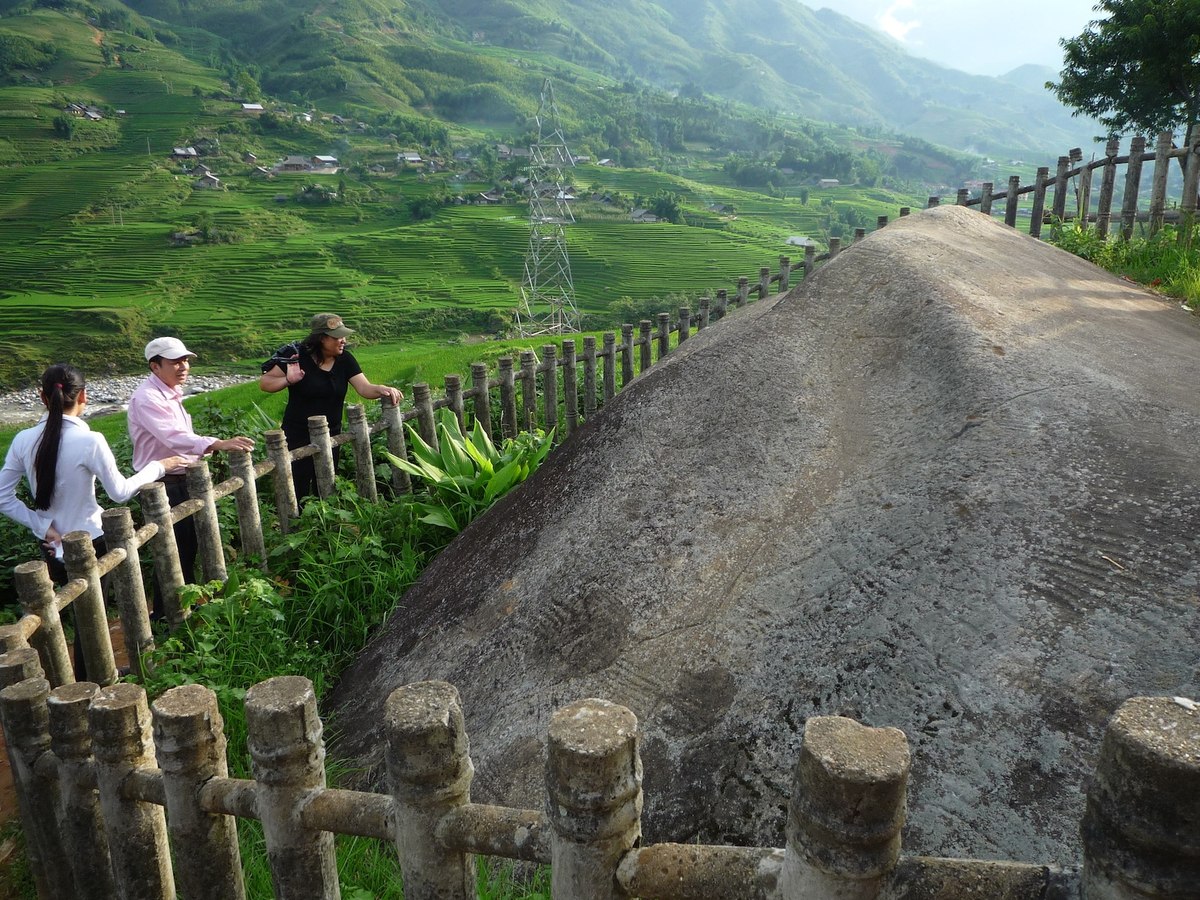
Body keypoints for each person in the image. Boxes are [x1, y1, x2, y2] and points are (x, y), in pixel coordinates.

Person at [0, 363, 185, 677]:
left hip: (52, 545)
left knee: (69, 613)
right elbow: (120, 492)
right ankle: (95, 679)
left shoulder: (23, 440)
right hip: (91, 541)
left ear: (43, 398)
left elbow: (3, 497)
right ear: (83, 396)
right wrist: (158, 466)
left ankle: (78, 679)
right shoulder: (90, 440)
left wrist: (43, 526)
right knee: (92, 614)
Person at [128, 337, 255, 616]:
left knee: (185, 547)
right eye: (175, 362)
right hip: (163, 485)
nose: (183, 366)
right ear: (155, 366)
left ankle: (180, 607)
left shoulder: (169, 393)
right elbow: (174, 437)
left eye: (185, 360)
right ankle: (166, 615)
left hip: (180, 479)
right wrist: (217, 443)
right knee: (172, 550)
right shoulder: (147, 398)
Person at [259, 313, 403, 499]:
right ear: (321, 338)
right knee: (297, 489)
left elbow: (364, 388)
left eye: (344, 336)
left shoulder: (345, 359)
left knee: (326, 486)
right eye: (337, 337)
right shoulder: (296, 356)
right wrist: (288, 380)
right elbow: (265, 383)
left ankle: (325, 517)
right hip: (297, 435)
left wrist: (383, 389)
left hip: (332, 434)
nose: (343, 341)